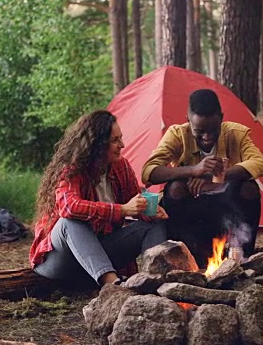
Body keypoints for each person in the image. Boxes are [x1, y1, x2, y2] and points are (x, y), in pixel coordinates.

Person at [29, 110, 168, 286]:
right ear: (97, 145)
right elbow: (70, 207)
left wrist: (149, 211)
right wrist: (123, 209)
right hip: (61, 261)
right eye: (115, 140)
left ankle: (156, 281)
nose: (122, 145)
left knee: (153, 225)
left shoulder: (120, 167)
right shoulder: (72, 170)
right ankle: (112, 284)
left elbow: (135, 203)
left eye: (121, 138)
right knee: (69, 222)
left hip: (101, 254)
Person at [141, 89, 263, 267]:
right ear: (188, 120)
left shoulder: (235, 134)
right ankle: (182, 258)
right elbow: (149, 172)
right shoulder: (178, 135)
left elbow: (260, 164)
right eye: (199, 131)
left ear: (221, 118)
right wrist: (193, 170)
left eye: (213, 130)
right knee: (176, 188)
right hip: (193, 209)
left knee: (249, 187)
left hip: (227, 208)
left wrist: (216, 175)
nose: (207, 137)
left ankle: (242, 256)